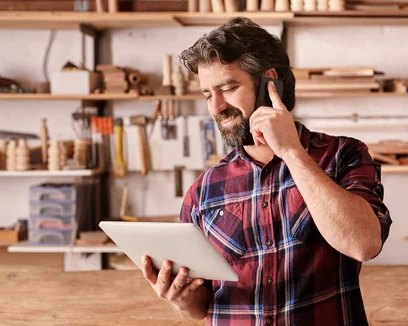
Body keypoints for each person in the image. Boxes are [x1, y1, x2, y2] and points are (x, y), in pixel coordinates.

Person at [141, 17, 392, 326]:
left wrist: (291, 152)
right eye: (208, 94)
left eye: (228, 88)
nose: (215, 107)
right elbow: (201, 305)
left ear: (269, 84)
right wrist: (181, 299)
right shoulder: (203, 191)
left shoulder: (343, 155)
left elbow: (364, 244)